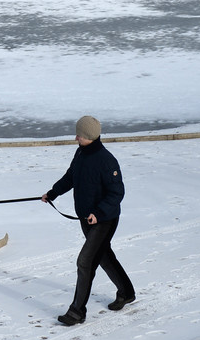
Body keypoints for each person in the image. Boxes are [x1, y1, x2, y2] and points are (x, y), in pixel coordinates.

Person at [41, 115, 136, 326]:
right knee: (104, 257)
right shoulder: (81, 153)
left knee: (85, 262)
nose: (76, 138)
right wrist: (53, 193)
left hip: (104, 220)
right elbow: (70, 177)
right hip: (87, 219)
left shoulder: (106, 160)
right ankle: (127, 292)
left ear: (90, 136)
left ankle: (77, 311)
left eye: (80, 135)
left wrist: (99, 213)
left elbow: (117, 192)